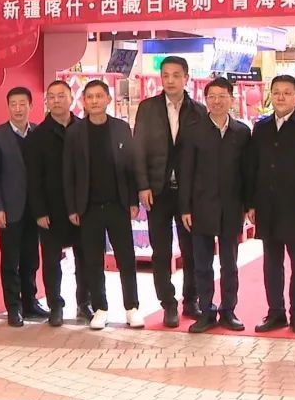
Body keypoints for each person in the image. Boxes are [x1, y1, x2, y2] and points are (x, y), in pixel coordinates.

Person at [246, 75, 295, 335]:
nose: (281, 97)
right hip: (267, 206)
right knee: (271, 262)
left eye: (287, 92)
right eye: (276, 92)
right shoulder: (261, 127)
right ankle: (275, 312)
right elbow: (253, 167)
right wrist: (251, 203)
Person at [134, 56, 207, 327]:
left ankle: (191, 300)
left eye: (176, 75)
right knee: (161, 251)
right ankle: (168, 303)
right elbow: (138, 149)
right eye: (165, 75)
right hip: (157, 190)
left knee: (191, 249)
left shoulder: (198, 111)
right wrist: (142, 185)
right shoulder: (148, 108)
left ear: (186, 78)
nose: (170, 80)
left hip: (189, 193)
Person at [63, 80, 141, 330]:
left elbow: (131, 167)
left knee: (126, 258)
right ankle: (100, 308)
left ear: (108, 99)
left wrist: (133, 200)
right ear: (84, 101)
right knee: (92, 260)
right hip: (89, 208)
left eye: (99, 96)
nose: (95, 101)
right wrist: (72, 207)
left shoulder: (121, 128)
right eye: (90, 97)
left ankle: (132, 307)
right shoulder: (75, 132)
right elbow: (69, 173)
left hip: (118, 204)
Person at [178, 77, 252, 333]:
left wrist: (249, 205)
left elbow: (247, 173)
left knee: (230, 264)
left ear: (231, 99)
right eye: (212, 97)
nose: (217, 101)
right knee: (202, 264)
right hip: (201, 207)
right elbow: (185, 172)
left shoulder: (242, 132)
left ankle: (228, 310)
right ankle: (206, 311)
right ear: (206, 100)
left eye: (222, 96)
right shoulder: (193, 131)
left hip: (232, 207)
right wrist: (185, 208)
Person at [26, 80, 92, 327]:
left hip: (83, 206)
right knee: (52, 261)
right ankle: (55, 305)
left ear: (71, 98)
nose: (56, 100)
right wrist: (39, 211)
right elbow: (33, 177)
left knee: (85, 257)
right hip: (51, 209)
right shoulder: (38, 135)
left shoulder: (85, 129)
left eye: (61, 95)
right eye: (51, 97)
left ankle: (84, 303)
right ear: (46, 102)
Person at [0, 87, 47, 327]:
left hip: (35, 209)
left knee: (31, 258)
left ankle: (30, 302)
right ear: (8, 107)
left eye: (23, 104)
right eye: (13, 104)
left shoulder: (38, 133)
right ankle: (13, 307)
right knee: (11, 260)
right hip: (9, 209)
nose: (18, 109)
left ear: (31, 106)